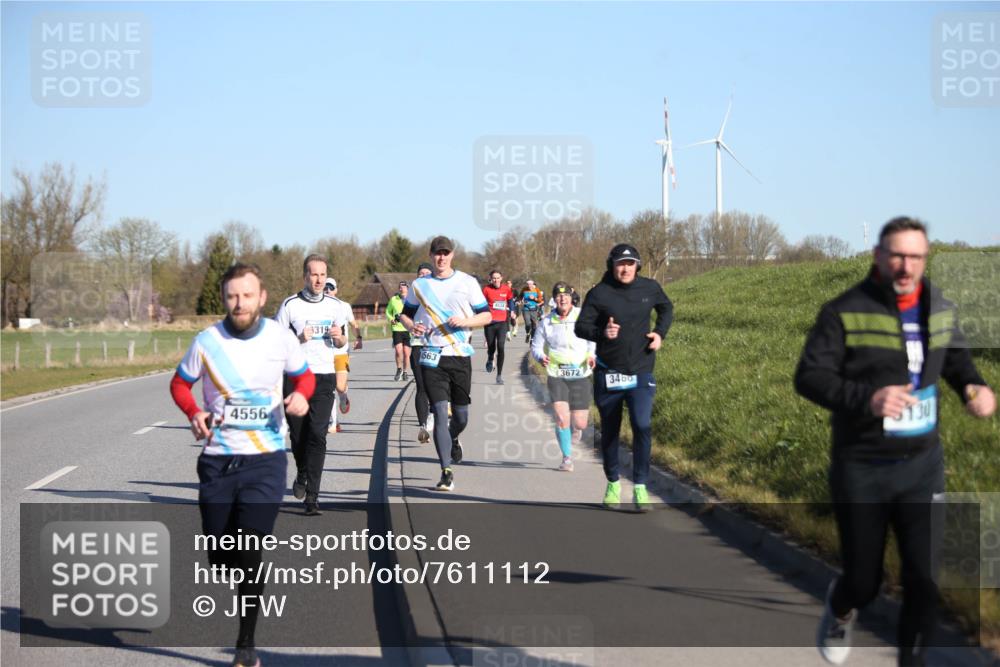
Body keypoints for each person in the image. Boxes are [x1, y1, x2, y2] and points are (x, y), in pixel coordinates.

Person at [794, 217, 995, 666]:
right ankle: (841, 607)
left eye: (916, 257)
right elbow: (808, 377)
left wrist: (973, 388)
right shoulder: (844, 310)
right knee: (863, 582)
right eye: (898, 255)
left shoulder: (939, 307)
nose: (906, 266)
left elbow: (957, 359)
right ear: (879, 256)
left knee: (924, 581)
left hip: (922, 464)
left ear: (926, 258)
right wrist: (868, 398)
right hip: (862, 465)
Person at [170, 263, 315, 667]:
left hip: (266, 461)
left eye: (247, 295)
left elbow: (303, 378)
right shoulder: (206, 342)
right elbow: (180, 383)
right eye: (233, 295)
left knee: (250, 550)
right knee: (219, 554)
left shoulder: (279, 338)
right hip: (217, 461)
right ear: (224, 298)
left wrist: (301, 396)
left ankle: (245, 644)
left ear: (262, 297)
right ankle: (226, 560)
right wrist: (193, 412)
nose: (240, 303)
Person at [575, 243, 673, 511]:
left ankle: (640, 486)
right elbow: (581, 327)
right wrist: (601, 333)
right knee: (610, 430)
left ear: (637, 266)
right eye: (621, 263)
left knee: (642, 424)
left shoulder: (650, 288)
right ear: (612, 265)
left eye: (630, 263)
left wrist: (659, 333)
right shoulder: (599, 293)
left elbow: (667, 309)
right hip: (609, 372)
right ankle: (613, 482)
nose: (626, 268)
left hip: (640, 370)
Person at [399, 235, 492, 492]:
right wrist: (412, 325)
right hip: (431, 355)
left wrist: (466, 322)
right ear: (431, 256)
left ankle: (453, 437)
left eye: (446, 253)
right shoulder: (420, 285)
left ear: (452, 255)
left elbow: (486, 315)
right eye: (437, 253)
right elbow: (404, 314)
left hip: (460, 355)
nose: (441, 257)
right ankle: (446, 471)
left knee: (460, 416)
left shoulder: (467, 282)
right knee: (439, 411)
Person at [274, 254, 346, 515]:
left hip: (324, 376)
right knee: (298, 436)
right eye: (314, 274)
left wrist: (339, 338)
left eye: (322, 274)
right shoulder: (290, 305)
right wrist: (297, 337)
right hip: (295, 378)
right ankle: (302, 471)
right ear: (305, 276)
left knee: (318, 435)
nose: (318, 279)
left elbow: (342, 343)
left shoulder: (335, 306)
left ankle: (313, 498)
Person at [531, 281, 596, 471]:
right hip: (556, 373)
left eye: (566, 295)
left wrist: (592, 356)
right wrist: (540, 357)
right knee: (561, 418)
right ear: (554, 300)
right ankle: (567, 458)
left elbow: (593, 339)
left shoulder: (582, 316)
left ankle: (576, 429)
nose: (562, 298)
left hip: (580, 373)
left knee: (581, 422)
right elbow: (535, 346)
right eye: (559, 296)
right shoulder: (546, 322)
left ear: (571, 298)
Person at [324, 277, 363, 434]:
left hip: (341, 351)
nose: (328, 290)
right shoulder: (317, 307)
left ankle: (343, 397)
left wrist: (359, 338)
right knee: (329, 387)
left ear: (336, 290)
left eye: (331, 288)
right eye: (325, 287)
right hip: (324, 353)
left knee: (339, 387)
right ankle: (333, 422)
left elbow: (353, 324)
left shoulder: (344, 306)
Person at [409, 262, 435, 443]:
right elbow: (403, 316)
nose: (424, 276)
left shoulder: (438, 294)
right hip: (418, 345)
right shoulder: (412, 296)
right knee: (421, 385)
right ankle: (423, 426)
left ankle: (435, 413)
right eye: (421, 274)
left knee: (435, 386)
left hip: (436, 346)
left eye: (427, 273)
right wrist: (411, 325)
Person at [482, 269, 515, 385]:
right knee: (491, 347)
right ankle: (490, 357)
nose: (496, 280)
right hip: (490, 323)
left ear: (501, 278)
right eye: (493, 278)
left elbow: (510, 300)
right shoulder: (486, 289)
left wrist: (512, 311)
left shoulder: (506, 289)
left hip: (502, 323)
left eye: (498, 277)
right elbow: (481, 303)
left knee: (501, 346)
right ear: (491, 279)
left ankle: (499, 375)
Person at [386, 281, 411, 381]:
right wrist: (391, 319)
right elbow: (388, 311)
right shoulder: (394, 299)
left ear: (407, 288)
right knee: (398, 351)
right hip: (397, 328)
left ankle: (405, 372)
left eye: (403, 287)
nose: (401, 289)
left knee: (406, 353)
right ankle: (399, 369)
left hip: (408, 329)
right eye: (399, 287)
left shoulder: (411, 300)